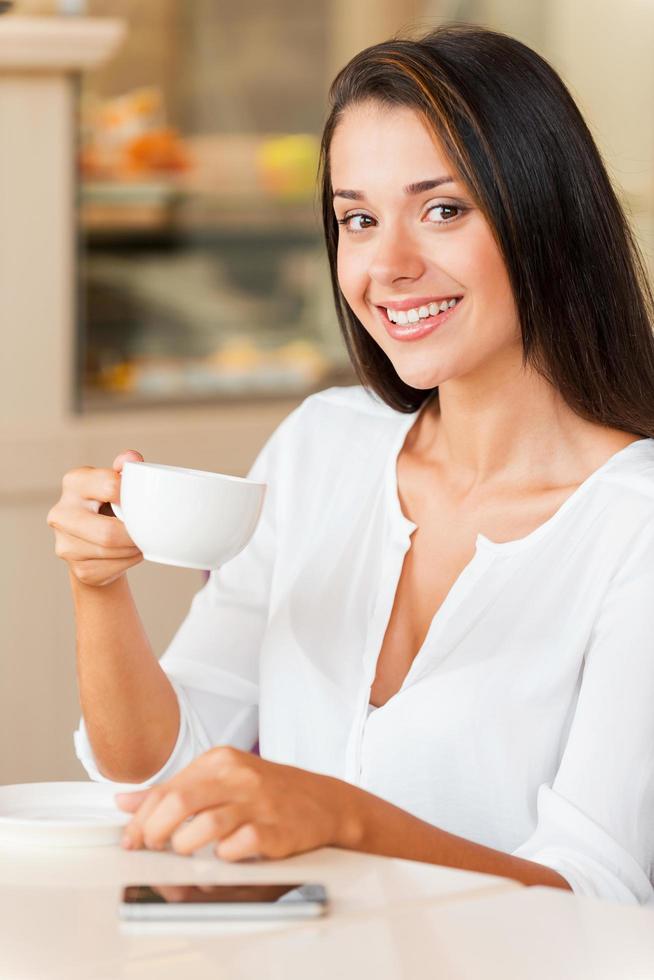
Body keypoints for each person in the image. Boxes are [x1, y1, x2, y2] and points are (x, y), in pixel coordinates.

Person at [47, 24, 654, 904]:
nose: (389, 266)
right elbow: (158, 777)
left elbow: (601, 895)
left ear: (545, 215)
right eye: (358, 219)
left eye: (443, 209)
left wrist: (342, 819)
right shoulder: (319, 448)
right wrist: (98, 591)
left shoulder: (635, 526)